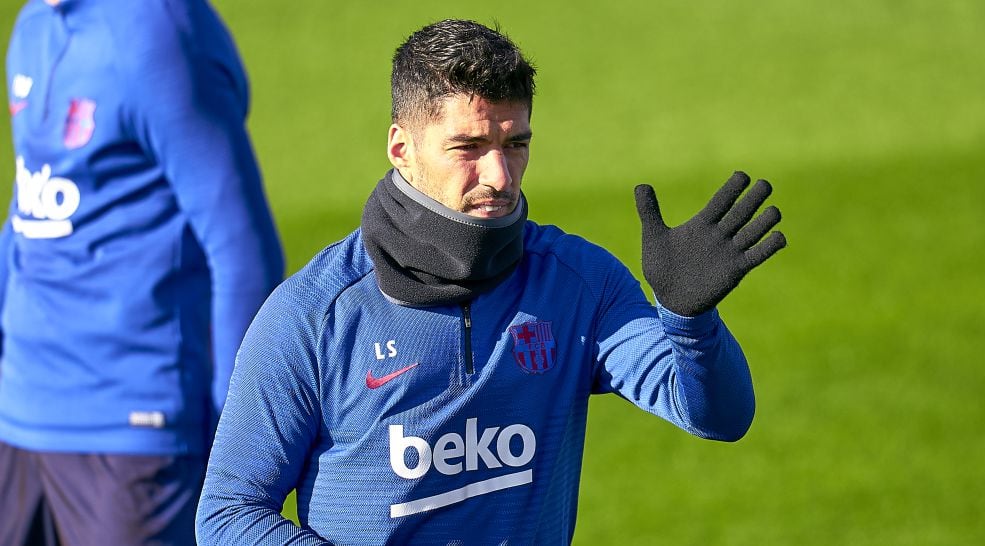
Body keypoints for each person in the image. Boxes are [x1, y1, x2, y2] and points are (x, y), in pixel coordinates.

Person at [196, 19, 785, 545]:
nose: (499, 176)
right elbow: (226, 515)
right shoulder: (314, 315)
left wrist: (689, 321)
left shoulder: (579, 283)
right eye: (468, 148)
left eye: (516, 144)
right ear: (401, 147)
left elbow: (719, 417)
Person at [0, 0, 284, 543]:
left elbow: (243, 254)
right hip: (20, 415)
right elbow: (27, 217)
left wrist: (233, 443)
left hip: (134, 432)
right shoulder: (34, 23)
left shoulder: (160, 33)